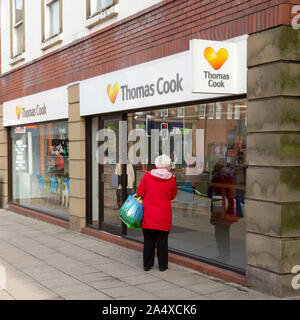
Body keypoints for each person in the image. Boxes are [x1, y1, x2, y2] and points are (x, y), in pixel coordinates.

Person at [137, 154, 177, 272]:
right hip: (163, 214)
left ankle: (147, 265)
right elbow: (173, 195)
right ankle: (162, 265)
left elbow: (139, 192)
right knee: (162, 241)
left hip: (149, 213)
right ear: (167, 165)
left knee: (148, 240)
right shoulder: (171, 178)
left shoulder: (147, 176)